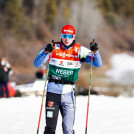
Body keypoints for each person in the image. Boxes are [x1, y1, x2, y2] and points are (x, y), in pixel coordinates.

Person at [34, 25, 102, 134]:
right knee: (50, 129)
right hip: (52, 93)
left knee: (68, 129)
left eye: (69, 36)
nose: (67, 39)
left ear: (73, 36)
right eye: (64, 35)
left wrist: (95, 51)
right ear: (61, 35)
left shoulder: (80, 50)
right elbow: (37, 63)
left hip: (68, 94)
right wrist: (46, 51)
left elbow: (98, 64)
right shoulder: (53, 47)